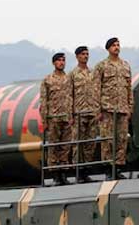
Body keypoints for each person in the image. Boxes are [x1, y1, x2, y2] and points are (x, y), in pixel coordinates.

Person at [92, 37, 132, 171]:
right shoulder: (101, 66)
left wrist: (130, 107)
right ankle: (109, 168)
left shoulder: (125, 65)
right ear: (108, 48)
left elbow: (129, 88)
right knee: (108, 140)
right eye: (114, 45)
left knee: (122, 139)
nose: (117, 47)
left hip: (123, 109)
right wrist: (97, 110)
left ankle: (119, 167)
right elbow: (96, 89)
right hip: (107, 109)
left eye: (118, 45)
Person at [40, 52, 73, 185]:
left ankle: (64, 174)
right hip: (53, 118)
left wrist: (71, 115)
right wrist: (44, 120)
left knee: (65, 147)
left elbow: (73, 97)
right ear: (54, 63)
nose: (61, 62)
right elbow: (43, 100)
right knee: (54, 147)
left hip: (66, 118)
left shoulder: (69, 79)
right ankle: (55, 175)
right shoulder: (47, 80)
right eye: (59, 60)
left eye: (63, 60)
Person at [69, 45, 99, 181]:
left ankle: (86, 170)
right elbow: (69, 95)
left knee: (90, 143)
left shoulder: (93, 73)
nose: (85, 56)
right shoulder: (73, 75)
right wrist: (70, 114)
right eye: (82, 54)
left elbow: (97, 92)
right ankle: (78, 172)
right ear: (77, 57)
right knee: (78, 143)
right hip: (78, 113)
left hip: (92, 112)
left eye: (87, 54)